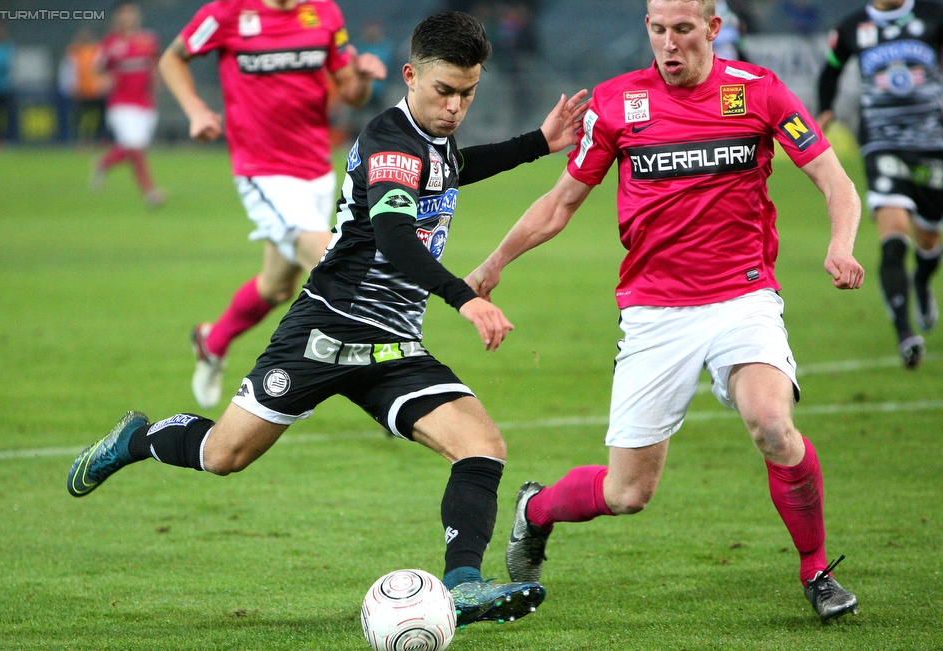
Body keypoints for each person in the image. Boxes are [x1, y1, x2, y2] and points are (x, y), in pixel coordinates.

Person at [67, 11, 588, 628]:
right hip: (325, 333)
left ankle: (464, 584)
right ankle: (137, 440)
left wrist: (537, 143)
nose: (455, 106)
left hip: (392, 346)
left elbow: (453, 168)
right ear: (410, 75)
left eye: (467, 93)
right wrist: (465, 298)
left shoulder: (433, 141)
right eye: (443, 91)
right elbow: (395, 239)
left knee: (482, 447)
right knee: (223, 455)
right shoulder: (391, 142)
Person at [467, 0, 864, 623]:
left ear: (712, 28)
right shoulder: (619, 102)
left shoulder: (758, 93)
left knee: (771, 424)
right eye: (658, 30)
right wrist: (493, 265)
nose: (669, 44)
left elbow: (834, 181)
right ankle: (536, 510)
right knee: (627, 493)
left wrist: (839, 246)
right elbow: (560, 203)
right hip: (655, 312)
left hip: (744, 297)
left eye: (683, 29)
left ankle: (815, 570)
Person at [158, 0, 388, 411]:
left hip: (316, 168)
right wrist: (196, 110)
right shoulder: (228, 12)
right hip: (261, 170)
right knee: (333, 260)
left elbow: (351, 94)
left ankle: (211, 342)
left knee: (277, 285)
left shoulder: (324, 13)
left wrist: (364, 78)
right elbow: (172, 58)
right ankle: (382, 380)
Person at [817, 0, 943, 369]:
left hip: (932, 143)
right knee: (894, 235)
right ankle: (906, 335)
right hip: (881, 142)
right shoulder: (852, 26)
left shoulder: (934, 14)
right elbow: (831, 70)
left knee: (929, 237)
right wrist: (825, 109)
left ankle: (920, 282)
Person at [93, 2, 166, 208]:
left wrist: (157, 79)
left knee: (135, 148)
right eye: (124, 13)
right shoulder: (111, 43)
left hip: (145, 102)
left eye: (131, 12)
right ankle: (150, 193)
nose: (128, 17)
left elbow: (155, 63)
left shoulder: (148, 40)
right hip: (121, 103)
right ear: (117, 17)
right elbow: (98, 66)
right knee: (135, 148)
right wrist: (105, 78)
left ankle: (104, 162)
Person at [63, 28, 109, 144]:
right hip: (80, 89)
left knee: (100, 115)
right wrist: (69, 85)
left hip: (96, 89)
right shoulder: (74, 51)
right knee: (79, 116)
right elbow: (69, 69)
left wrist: (103, 84)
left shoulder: (97, 49)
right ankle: (81, 139)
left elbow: (103, 68)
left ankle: (99, 138)